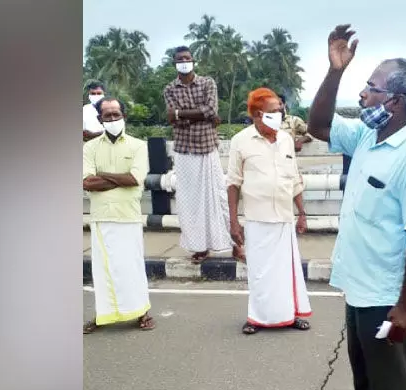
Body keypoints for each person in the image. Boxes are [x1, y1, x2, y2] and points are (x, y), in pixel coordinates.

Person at [307, 25, 406, 390]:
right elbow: (318, 125)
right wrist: (335, 73)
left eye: (371, 87)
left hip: (383, 297)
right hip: (356, 286)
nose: (363, 95)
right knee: (365, 384)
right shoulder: (367, 135)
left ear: (396, 102)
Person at [227, 87, 312, 335]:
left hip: (284, 217)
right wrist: (234, 223)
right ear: (256, 115)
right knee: (260, 273)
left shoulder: (285, 139)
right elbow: (233, 184)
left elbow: (295, 179)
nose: (279, 114)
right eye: (273, 111)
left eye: (280, 110)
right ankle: (257, 317)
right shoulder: (240, 141)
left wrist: (302, 213)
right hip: (257, 218)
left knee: (287, 271)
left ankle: (291, 315)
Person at [163, 46, 243, 263]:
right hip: (185, 150)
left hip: (207, 148)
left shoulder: (207, 83)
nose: (184, 62)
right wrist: (200, 115)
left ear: (193, 61)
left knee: (218, 198)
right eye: (180, 59)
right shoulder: (170, 88)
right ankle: (199, 247)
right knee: (190, 202)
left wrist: (182, 114)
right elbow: (173, 118)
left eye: (187, 58)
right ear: (174, 63)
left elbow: (211, 110)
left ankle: (234, 243)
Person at [82, 97, 155, 333]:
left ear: (124, 116)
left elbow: (135, 179)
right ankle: (103, 315)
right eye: (107, 115)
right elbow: (87, 183)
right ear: (100, 119)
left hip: (128, 215)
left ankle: (142, 312)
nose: (112, 119)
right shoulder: (89, 148)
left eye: (116, 114)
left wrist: (103, 176)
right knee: (102, 270)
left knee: (131, 266)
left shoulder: (137, 146)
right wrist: (118, 178)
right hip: (102, 216)